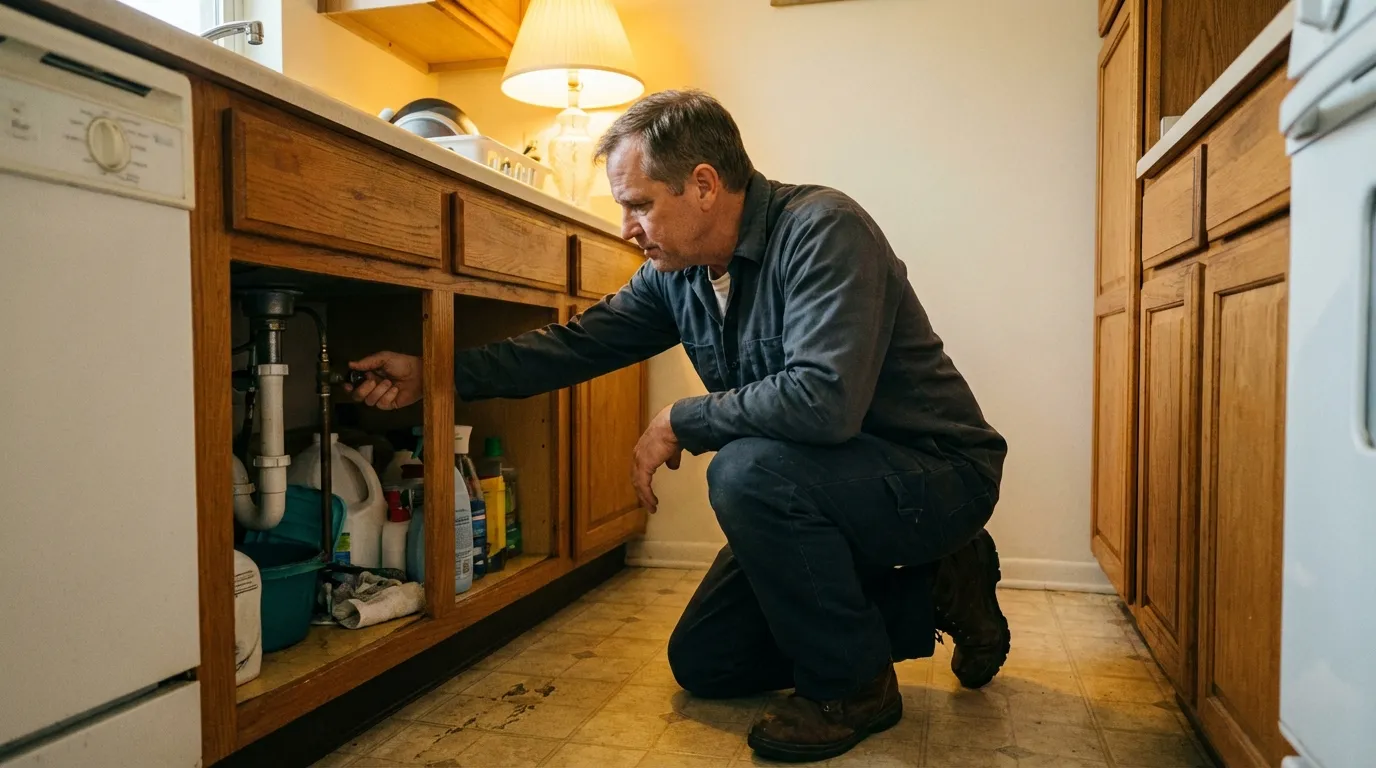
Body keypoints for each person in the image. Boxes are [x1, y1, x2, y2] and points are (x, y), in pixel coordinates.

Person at [345, 89, 1010, 763]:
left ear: (703, 185)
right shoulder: (678, 275)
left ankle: (855, 688)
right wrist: (433, 372)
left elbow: (825, 400)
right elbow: (574, 345)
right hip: (821, 485)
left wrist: (682, 419)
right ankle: (938, 585)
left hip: (938, 476)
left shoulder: (824, 230)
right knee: (708, 662)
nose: (628, 228)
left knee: (746, 472)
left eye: (639, 205)